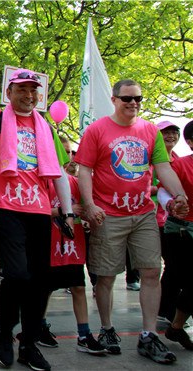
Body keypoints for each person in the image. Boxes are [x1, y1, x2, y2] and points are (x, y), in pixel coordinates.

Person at [0, 48, 74, 371]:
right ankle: (3, 327)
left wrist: (67, 213)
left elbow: (59, 175)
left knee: (40, 280)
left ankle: (28, 343)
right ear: (9, 92)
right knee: (17, 274)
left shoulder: (46, 128)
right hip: (6, 207)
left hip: (41, 212)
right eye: (21, 89)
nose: (28, 95)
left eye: (33, 90)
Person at [75, 79, 188, 364]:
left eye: (138, 98)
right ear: (114, 100)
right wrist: (89, 205)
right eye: (127, 99)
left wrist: (180, 195)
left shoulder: (150, 131)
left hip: (143, 214)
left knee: (151, 272)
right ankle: (107, 329)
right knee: (107, 276)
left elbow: (163, 167)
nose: (133, 103)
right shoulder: (97, 130)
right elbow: (84, 170)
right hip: (108, 214)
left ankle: (149, 335)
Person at [40, 140, 106, 355]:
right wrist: (63, 211)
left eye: (68, 152)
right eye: (61, 151)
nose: (66, 156)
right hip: (47, 246)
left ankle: (84, 334)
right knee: (44, 289)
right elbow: (35, 210)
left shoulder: (76, 182)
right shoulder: (41, 181)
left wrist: (90, 214)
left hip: (72, 245)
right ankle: (38, 326)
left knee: (78, 287)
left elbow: (85, 206)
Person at [157, 120, 193, 351]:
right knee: (182, 277)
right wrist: (171, 203)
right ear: (190, 142)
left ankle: (176, 326)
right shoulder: (181, 165)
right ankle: (170, 319)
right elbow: (161, 189)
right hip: (181, 230)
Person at [154, 120, 182, 324]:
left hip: (177, 220)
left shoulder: (179, 160)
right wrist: (164, 188)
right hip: (156, 220)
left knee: (175, 265)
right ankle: (164, 309)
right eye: (166, 133)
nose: (170, 136)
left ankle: (168, 308)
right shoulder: (152, 161)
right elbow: (140, 186)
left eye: (174, 132)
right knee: (173, 264)